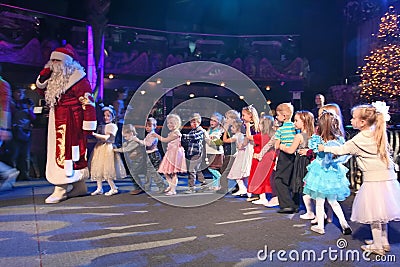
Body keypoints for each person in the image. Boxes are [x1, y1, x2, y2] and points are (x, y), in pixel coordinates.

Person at [319, 102, 400, 256]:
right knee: (382, 213)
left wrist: (325, 148)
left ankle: (377, 246)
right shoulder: (375, 132)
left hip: (374, 180)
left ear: (362, 122)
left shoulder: (361, 138)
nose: (350, 121)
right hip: (387, 178)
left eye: (354, 118)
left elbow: (342, 150)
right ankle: (383, 241)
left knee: (375, 214)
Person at [35, 46, 97, 204]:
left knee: (66, 153)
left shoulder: (78, 78)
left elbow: (88, 102)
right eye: (52, 60)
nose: (53, 63)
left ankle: (60, 187)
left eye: (57, 60)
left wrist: (88, 125)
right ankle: (79, 186)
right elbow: (42, 91)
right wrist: (44, 74)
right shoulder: (55, 78)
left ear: (66, 62)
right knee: (66, 152)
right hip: (57, 119)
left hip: (71, 122)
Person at [303, 111, 352, 235]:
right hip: (333, 172)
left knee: (319, 201)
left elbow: (316, 153)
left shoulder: (317, 140)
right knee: (333, 201)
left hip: (320, 171)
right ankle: (344, 223)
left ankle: (320, 226)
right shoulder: (339, 140)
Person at [280, 110, 315, 219]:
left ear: (304, 122)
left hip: (301, 162)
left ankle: (310, 211)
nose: (294, 123)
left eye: (296, 120)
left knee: (302, 184)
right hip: (311, 161)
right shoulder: (313, 135)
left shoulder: (299, 136)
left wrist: (282, 147)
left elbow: (291, 150)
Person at [90, 106, 126, 196]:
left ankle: (113, 188)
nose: (106, 117)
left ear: (112, 116)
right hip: (100, 147)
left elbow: (106, 137)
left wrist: (93, 134)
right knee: (98, 168)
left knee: (107, 169)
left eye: (108, 115)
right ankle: (99, 188)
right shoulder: (102, 126)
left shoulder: (112, 126)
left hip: (107, 148)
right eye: (104, 115)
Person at [152, 114, 187, 195]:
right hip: (170, 153)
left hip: (175, 154)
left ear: (177, 123)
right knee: (165, 171)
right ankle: (171, 185)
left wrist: (156, 135)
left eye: (172, 123)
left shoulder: (176, 133)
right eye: (168, 123)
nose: (169, 125)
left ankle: (173, 189)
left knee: (174, 172)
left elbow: (165, 140)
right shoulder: (172, 132)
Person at [274, 102, 297, 214]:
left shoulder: (280, 130)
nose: (276, 117)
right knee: (293, 179)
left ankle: (286, 204)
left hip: (284, 155)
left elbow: (276, 145)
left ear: (283, 116)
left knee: (279, 179)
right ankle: (295, 203)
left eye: (277, 115)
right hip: (295, 155)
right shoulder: (295, 127)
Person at [247, 115, 276, 205]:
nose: (258, 126)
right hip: (268, 157)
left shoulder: (261, 136)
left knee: (260, 177)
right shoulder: (271, 135)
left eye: (260, 124)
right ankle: (263, 196)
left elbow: (249, 136)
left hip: (261, 158)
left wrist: (248, 126)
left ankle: (262, 197)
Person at [132, 117, 165, 193]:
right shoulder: (149, 135)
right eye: (146, 126)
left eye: (149, 126)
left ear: (154, 126)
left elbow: (148, 144)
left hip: (153, 155)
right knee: (147, 172)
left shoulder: (153, 135)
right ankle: (147, 187)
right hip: (149, 155)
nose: (147, 127)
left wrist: (137, 140)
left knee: (153, 172)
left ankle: (161, 186)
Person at [9, 88, 36, 181]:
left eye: (22, 92)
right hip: (14, 131)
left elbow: (33, 117)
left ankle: (24, 175)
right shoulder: (10, 103)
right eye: (18, 92)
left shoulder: (28, 103)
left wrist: (29, 109)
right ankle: (13, 176)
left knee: (25, 155)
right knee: (14, 155)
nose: (20, 94)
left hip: (26, 132)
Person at [0, 64, 19, 191]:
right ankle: (7, 172)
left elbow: (5, 107)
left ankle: (8, 172)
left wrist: (4, 128)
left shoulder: (2, 85)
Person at [114, 124, 146, 195]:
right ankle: (140, 186)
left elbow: (127, 149)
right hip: (135, 160)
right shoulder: (129, 141)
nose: (125, 138)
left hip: (138, 160)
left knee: (134, 173)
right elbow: (125, 145)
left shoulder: (135, 141)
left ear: (131, 133)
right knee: (133, 173)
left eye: (126, 136)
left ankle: (140, 187)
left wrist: (116, 150)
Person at [217, 109, 241, 194]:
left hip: (233, 153)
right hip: (227, 152)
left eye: (227, 118)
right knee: (226, 170)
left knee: (225, 170)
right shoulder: (228, 128)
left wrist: (226, 129)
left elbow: (226, 140)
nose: (226, 120)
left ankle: (224, 188)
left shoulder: (235, 129)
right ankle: (236, 187)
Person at [182, 113, 206, 194]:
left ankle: (191, 187)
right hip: (191, 153)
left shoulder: (200, 130)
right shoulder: (192, 131)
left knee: (191, 170)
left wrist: (182, 136)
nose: (194, 124)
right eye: (192, 122)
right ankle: (203, 183)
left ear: (199, 122)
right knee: (197, 170)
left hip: (197, 153)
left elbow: (194, 137)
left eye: (195, 122)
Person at [226, 119, 251, 195]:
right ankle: (244, 188)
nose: (231, 129)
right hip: (241, 153)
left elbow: (226, 140)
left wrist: (225, 130)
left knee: (237, 171)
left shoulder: (237, 135)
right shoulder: (241, 135)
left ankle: (243, 188)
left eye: (233, 127)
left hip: (241, 154)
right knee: (241, 173)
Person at [241, 105, 260, 202]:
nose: (242, 117)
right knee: (248, 171)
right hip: (248, 149)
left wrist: (248, 127)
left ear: (251, 116)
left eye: (244, 115)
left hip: (253, 149)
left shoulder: (255, 127)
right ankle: (250, 191)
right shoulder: (246, 126)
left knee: (252, 170)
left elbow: (250, 137)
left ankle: (256, 193)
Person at [204, 112, 224, 191]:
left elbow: (213, 143)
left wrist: (206, 137)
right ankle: (215, 185)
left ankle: (220, 180)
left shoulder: (218, 132)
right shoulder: (210, 130)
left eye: (214, 121)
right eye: (211, 120)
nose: (212, 122)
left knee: (212, 169)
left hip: (216, 153)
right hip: (210, 152)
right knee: (212, 169)